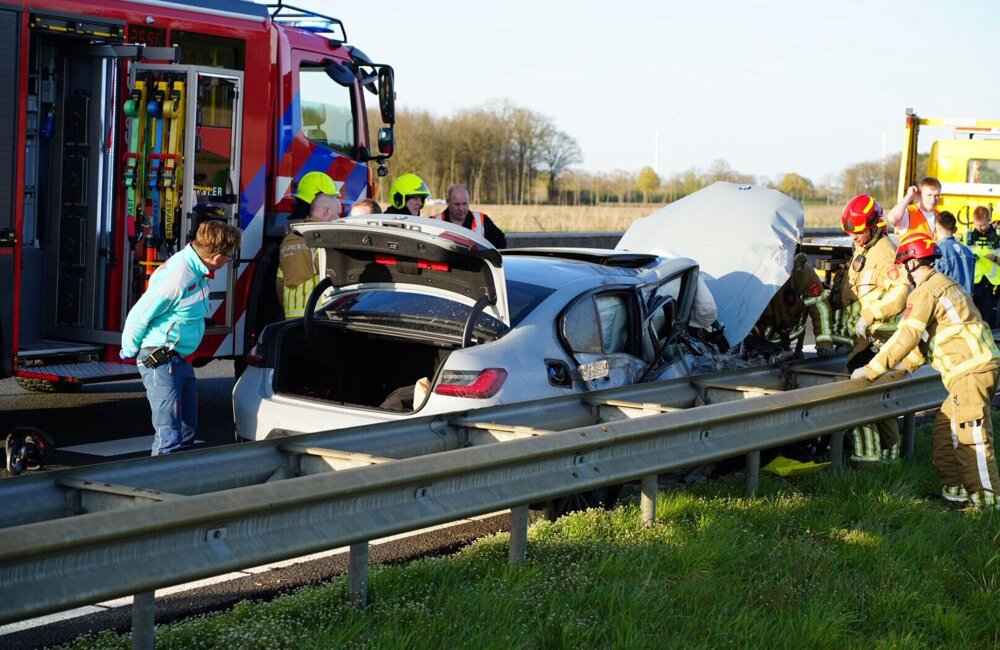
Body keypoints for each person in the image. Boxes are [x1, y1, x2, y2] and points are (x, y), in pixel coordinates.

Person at [852, 232, 1000, 511]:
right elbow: (924, 343)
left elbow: (907, 334)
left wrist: (871, 370)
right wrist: (902, 369)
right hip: (971, 370)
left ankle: (988, 505)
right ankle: (955, 493)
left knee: (971, 438)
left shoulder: (925, 290)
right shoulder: (942, 285)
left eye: (902, 265)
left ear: (911, 263)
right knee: (945, 431)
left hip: (970, 371)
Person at [121, 220, 243, 455]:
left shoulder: (195, 268)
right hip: (161, 360)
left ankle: (182, 479)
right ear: (217, 257)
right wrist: (129, 347)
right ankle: (158, 486)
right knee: (169, 435)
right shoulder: (178, 277)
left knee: (187, 431)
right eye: (229, 258)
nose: (228, 262)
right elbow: (139, 314)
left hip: (179, 360)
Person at [839, 194, 909, 463]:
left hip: (882, 340)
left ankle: (871, 460)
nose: (854, 237)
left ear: (875, 225)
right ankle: (889, 457)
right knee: (876, 398)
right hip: (866, 339)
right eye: (851, 233)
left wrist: (869, 316)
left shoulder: (886, 255)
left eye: (858, 232)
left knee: (860, 394)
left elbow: (900, 295)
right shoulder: (864, 248)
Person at [745, 252, 836, 359]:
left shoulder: (803, 273)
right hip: (757, 342)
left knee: (791, 369)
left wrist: (824, 342)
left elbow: (819, 307)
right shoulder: (750, 271)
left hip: (791, 341)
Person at [277, 192, 342, 319]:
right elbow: (333, 276)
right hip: (316, 315)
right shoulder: (322, 238)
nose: (339, 218)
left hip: (290, 316)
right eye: (338, 214)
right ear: (327, 212)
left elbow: (280, 280)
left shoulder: (289, 238)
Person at [433, 184, 506, 248]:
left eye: (465, 204)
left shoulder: (482, 220)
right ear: (447, 202)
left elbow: (501, 242)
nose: (461, 209)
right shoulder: (434, 222)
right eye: (457, 204)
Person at [965, 206, 1000, 327]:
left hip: (993, 284)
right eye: (977, 225)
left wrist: (995, 258)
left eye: (983, 225)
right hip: (974, 282)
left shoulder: (998, 235)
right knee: (973, 316)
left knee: (989, 318)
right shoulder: (968, 236)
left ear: (989, 220)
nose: (980, 228)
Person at [933, 211, 976, 295]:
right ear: (955, 229)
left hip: (948, 303)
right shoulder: (967, 251)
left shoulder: (937, 251)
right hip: (967, 302)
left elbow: (933, 283)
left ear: (935, 229)